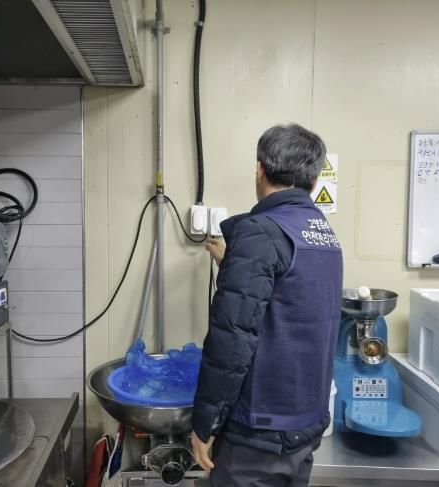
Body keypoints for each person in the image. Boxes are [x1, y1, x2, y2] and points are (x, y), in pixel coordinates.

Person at [191, 124, 343, 487]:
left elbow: (232, 339)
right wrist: (232, 263)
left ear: (260, 169)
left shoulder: (261, 231)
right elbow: (288, 303)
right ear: (313, 178)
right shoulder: (321, 232)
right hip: (304, 424)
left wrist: (205, 424)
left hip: (258, 432)